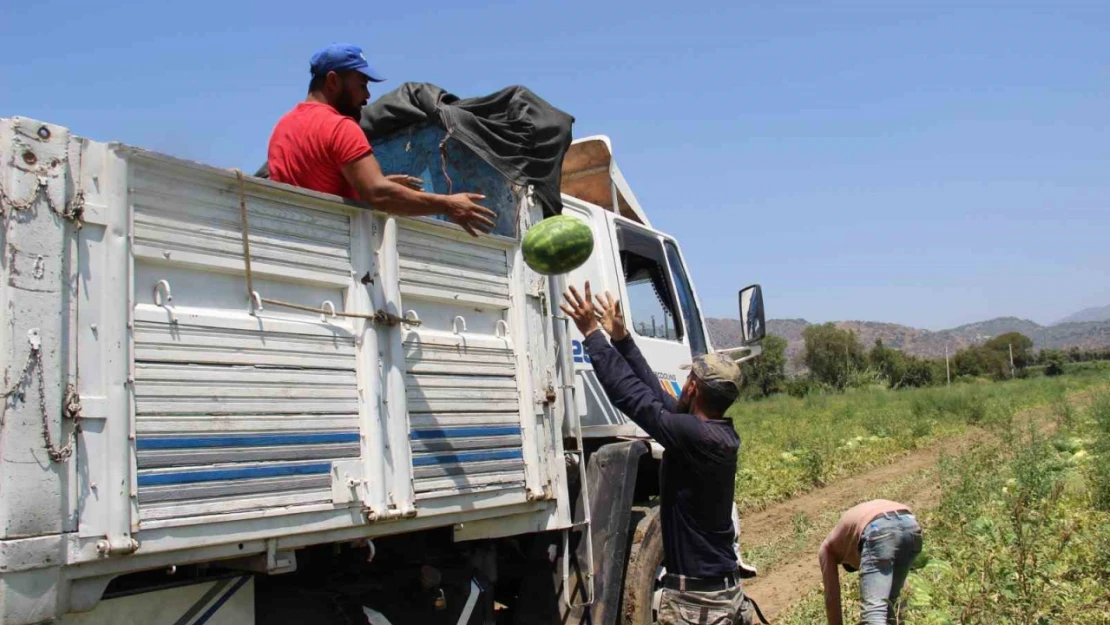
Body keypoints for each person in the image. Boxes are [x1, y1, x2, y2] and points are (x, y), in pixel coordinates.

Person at [560, 282, 754, 625]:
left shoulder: (695, 435)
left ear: (692, 387)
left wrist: (591, 333)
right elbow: (651, 390)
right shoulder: (711, 432)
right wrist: (622, 340)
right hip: (718, 596)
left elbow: (632, 397)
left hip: (700, 605)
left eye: (686, 381)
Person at [267, 43, 496, 236]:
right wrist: (448, 205)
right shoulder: (340, 127)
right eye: (362, 85)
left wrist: (375, 182)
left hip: (294, 243)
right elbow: (377, 194)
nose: (367, 97)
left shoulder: (283, 127)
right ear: (333, 81)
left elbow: (314, 185)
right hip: (336, 255)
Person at [818, 500, 923, 625]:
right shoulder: (847, 536)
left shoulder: (827, 549)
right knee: (892, 603)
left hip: (878, 528)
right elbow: (903, 589)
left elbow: (832, 597)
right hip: (910, 524)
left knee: (874, 612)